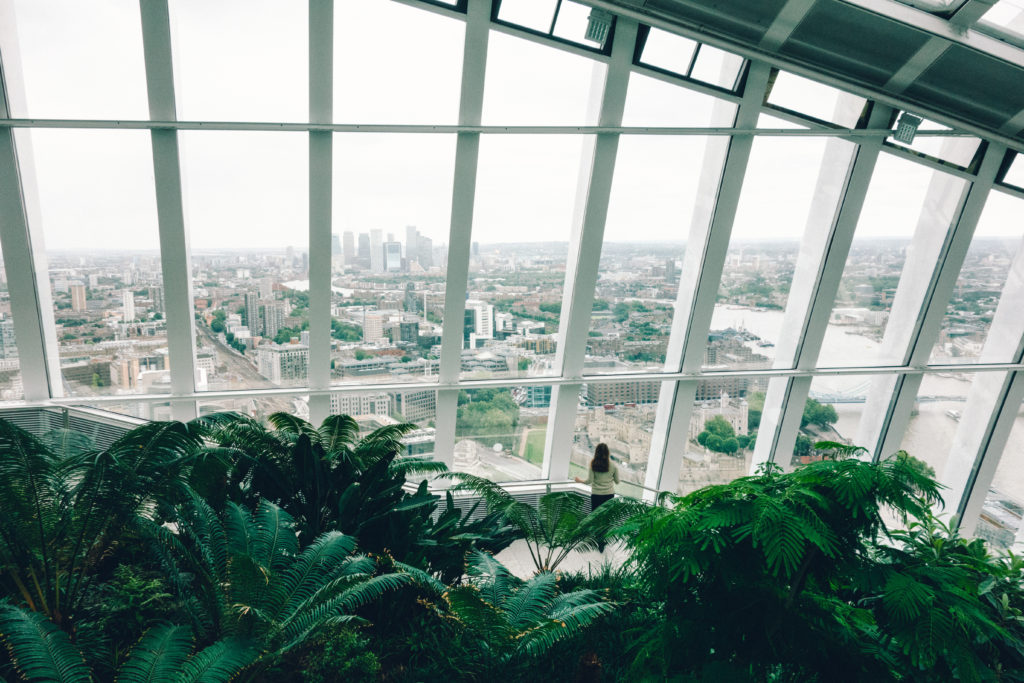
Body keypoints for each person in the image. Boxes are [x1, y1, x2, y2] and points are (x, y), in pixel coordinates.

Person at [574, 442, 619, 513]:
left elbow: (589, 480)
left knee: (594, 517)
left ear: (596, 452)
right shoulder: (613, 465)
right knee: (606, 516)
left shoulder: (593, 464)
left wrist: (579, 480)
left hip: (596, 495)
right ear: (608, 453)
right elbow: (617, 481)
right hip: (609, 495)